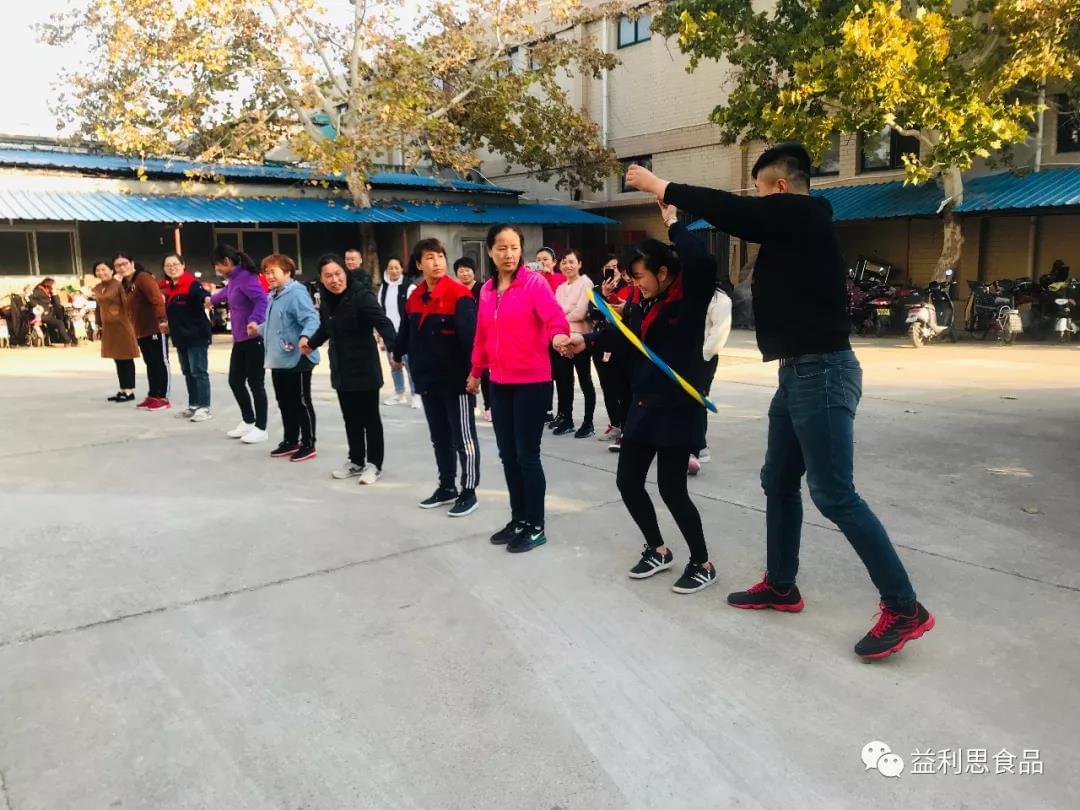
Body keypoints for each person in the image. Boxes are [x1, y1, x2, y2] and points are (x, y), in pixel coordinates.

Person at [627, 145, 934, 658]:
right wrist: (676, 222)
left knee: (835, 495)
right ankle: (782, 585)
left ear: (781, 189)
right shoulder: (795, 229)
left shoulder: (806, 217)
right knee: (778, 481)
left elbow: (739, 212)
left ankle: (904, 607)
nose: (760, 203)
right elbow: (739, 220)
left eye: (762, 191)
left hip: (824, 372)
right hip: (796, 374)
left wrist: (663, 188)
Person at [565, 202, 719, 594]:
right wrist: (586, 339)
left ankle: (702, 562)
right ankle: (657, 549)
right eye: (632, 278)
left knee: (672, 489)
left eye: (641, 276)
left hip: (677, 408)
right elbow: (625, 334)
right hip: (644, 403)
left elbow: (700, 258)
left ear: (663, 272)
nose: (636, 283)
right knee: (628, 482)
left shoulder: (689, 299)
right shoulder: (642, 301)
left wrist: (672, 221)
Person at [467, 224, 570, 553]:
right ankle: (519, 519)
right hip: (499, 383)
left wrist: (557, 336)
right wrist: (475, 372)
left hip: (532, 382)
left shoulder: (534, 283)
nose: (508, 254)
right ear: (490, 252)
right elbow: (483, 336)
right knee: (508, 456)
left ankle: (536, 525)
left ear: (520, 250)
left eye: (513, 247)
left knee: (527, 456)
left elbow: (555, 318)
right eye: (501, 248)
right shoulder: (486, 290)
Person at [393, 239, 480, 517]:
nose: (437, 262)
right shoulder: (415, 296)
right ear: (419, 264)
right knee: (439, 437)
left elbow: (471, 340)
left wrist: (475, 374)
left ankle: (469, 491)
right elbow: (406, 332)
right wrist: (397, 354)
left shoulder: (459, 295)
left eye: (440, 256)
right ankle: (446, 486)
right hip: (427, 379)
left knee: (463, 438)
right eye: (430, 258)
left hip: (456, 381)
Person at [303, 254, 396, 485]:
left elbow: (383, 323)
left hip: (364, 366)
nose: (334, 280)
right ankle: (356, 460)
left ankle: (374, 464)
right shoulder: (326, 301)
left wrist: (396, 349)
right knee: (350, 418)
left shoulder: (362, 297)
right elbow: (326, 327)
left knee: (370, 418)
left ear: (345, 273)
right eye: (328, 276)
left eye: (338, 274)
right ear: (322, 280)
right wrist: (311, 344)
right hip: (341, 368)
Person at [261, 254, 321, 462]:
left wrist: (305, 337)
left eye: (273, 271)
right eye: (266, 272)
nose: (269, 276)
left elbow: (311, 319)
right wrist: (257, 329)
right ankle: (290, 440)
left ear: (287, 272)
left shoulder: (296, 293)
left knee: (300, 402)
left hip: (298, 357)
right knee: (284, 401)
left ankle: (308, 443)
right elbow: (277, 325)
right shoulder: (274, 295)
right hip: (279, 358)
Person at [210, 245, 270, 443]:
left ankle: (261, 427)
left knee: (255, 383)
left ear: (226, 261)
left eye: (217, 264)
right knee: (235, 381)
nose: (217, 268)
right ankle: (248, 421)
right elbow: (227, 292)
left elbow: (262, 300)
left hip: (253, 339)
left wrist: (254, 320)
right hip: (240, 339)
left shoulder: (246, 277)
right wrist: (211, 299)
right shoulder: (234, 279)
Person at [114, 253, 171, 411]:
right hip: (141, 330)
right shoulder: (127, 283)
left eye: (124, 263)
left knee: (159, 362)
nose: (122, 267)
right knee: (150, 363)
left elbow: (156, 298)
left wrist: (162, 320)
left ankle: (162, 397)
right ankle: (153, 395)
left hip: (155, 328)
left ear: (132, 263)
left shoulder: (143, 278)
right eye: (118, 265)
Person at [161, 253, 213, 422]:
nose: (172, 267)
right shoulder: (170, 288)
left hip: (196, 335)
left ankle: (204, 407)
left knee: (199, 372)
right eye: (168, 265)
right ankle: (194, 405)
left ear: (183, 265)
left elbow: (203, 295)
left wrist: (207, 299)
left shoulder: (192, 284)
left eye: (175, 264)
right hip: (180, 337)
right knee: (188, 372)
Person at [550, 249, 596, 438]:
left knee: (585, 380)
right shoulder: (560, 287)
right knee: (563, 381)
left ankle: (588, 422)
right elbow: (553, 313)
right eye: (564, 262)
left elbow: (581, 313)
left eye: (571, 262)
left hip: (581, 340)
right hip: (562, 340)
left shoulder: (586, 283)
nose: (567, 266)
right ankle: (566, 418)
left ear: (579, 263)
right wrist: (569, 309)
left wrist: (564, 312)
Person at [592, 255, 632, 445]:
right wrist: (606, 296)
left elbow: (626, 317)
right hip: (603, 342)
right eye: (609, 267)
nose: (614, 271)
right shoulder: (596, 290)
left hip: (626, 346)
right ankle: (616, 425)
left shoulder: (632, 290)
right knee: (609, 387)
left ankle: (628, 430)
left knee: (625, 390)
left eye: (617, 268)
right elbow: (593, 313)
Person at [91, 261, 139, 402]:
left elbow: (128, 304)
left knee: (126, 358)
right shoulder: (98, 288)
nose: (101, 272)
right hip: (108, 328)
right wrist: (98, 325)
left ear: (112, 270)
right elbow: (98, 308)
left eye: (104, 269)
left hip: (122, 325)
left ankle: (129, 391)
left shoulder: (118, 285)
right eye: (98, 270)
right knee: (117, 359)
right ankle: (122, 388)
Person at [378, 256, 420, 409]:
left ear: (402, 269)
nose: (394, 271)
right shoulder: (384, 287)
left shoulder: (409, 287)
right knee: (394, 364)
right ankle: (399, 393)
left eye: (397, 267)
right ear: (386, 270)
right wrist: (379, 331)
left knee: (409, 364)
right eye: (390, 268)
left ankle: (416, 394)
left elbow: (414, 313)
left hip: (406, 332)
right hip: (389, 334)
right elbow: (379, 310)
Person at [454, 256, 491, 421]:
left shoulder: (483, 288)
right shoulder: (455, 291)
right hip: (463, 338)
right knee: (465, 371)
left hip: (483, 336)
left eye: (467, 270)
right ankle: (471, 405)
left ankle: (489, 406)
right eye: (460, 270)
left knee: (485, 373)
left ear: (473, 271)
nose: (464, 273)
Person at [534, 247, 565, 425]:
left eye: (545, 259)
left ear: (554, 262)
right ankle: (544, 409)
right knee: (543, 375)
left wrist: (547, 275)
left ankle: (561, 412)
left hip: (555, 334)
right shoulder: (532, 280)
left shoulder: (560, 279)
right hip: (538, 336)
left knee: (559, 375)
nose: (542, 262)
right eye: (538, 259)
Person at [29, 278, 73, 346]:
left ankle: (62, 336)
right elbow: (30, 298)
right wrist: (37, 306)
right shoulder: (38, 290)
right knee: (59, 323)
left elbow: (57, 304)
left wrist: (55, 293)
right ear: (48, 284)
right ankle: (67, 341)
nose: (53, 287)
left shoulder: (48, 292)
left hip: (50, 312)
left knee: (61, 311)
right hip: (42, 314)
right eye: (53, 285)